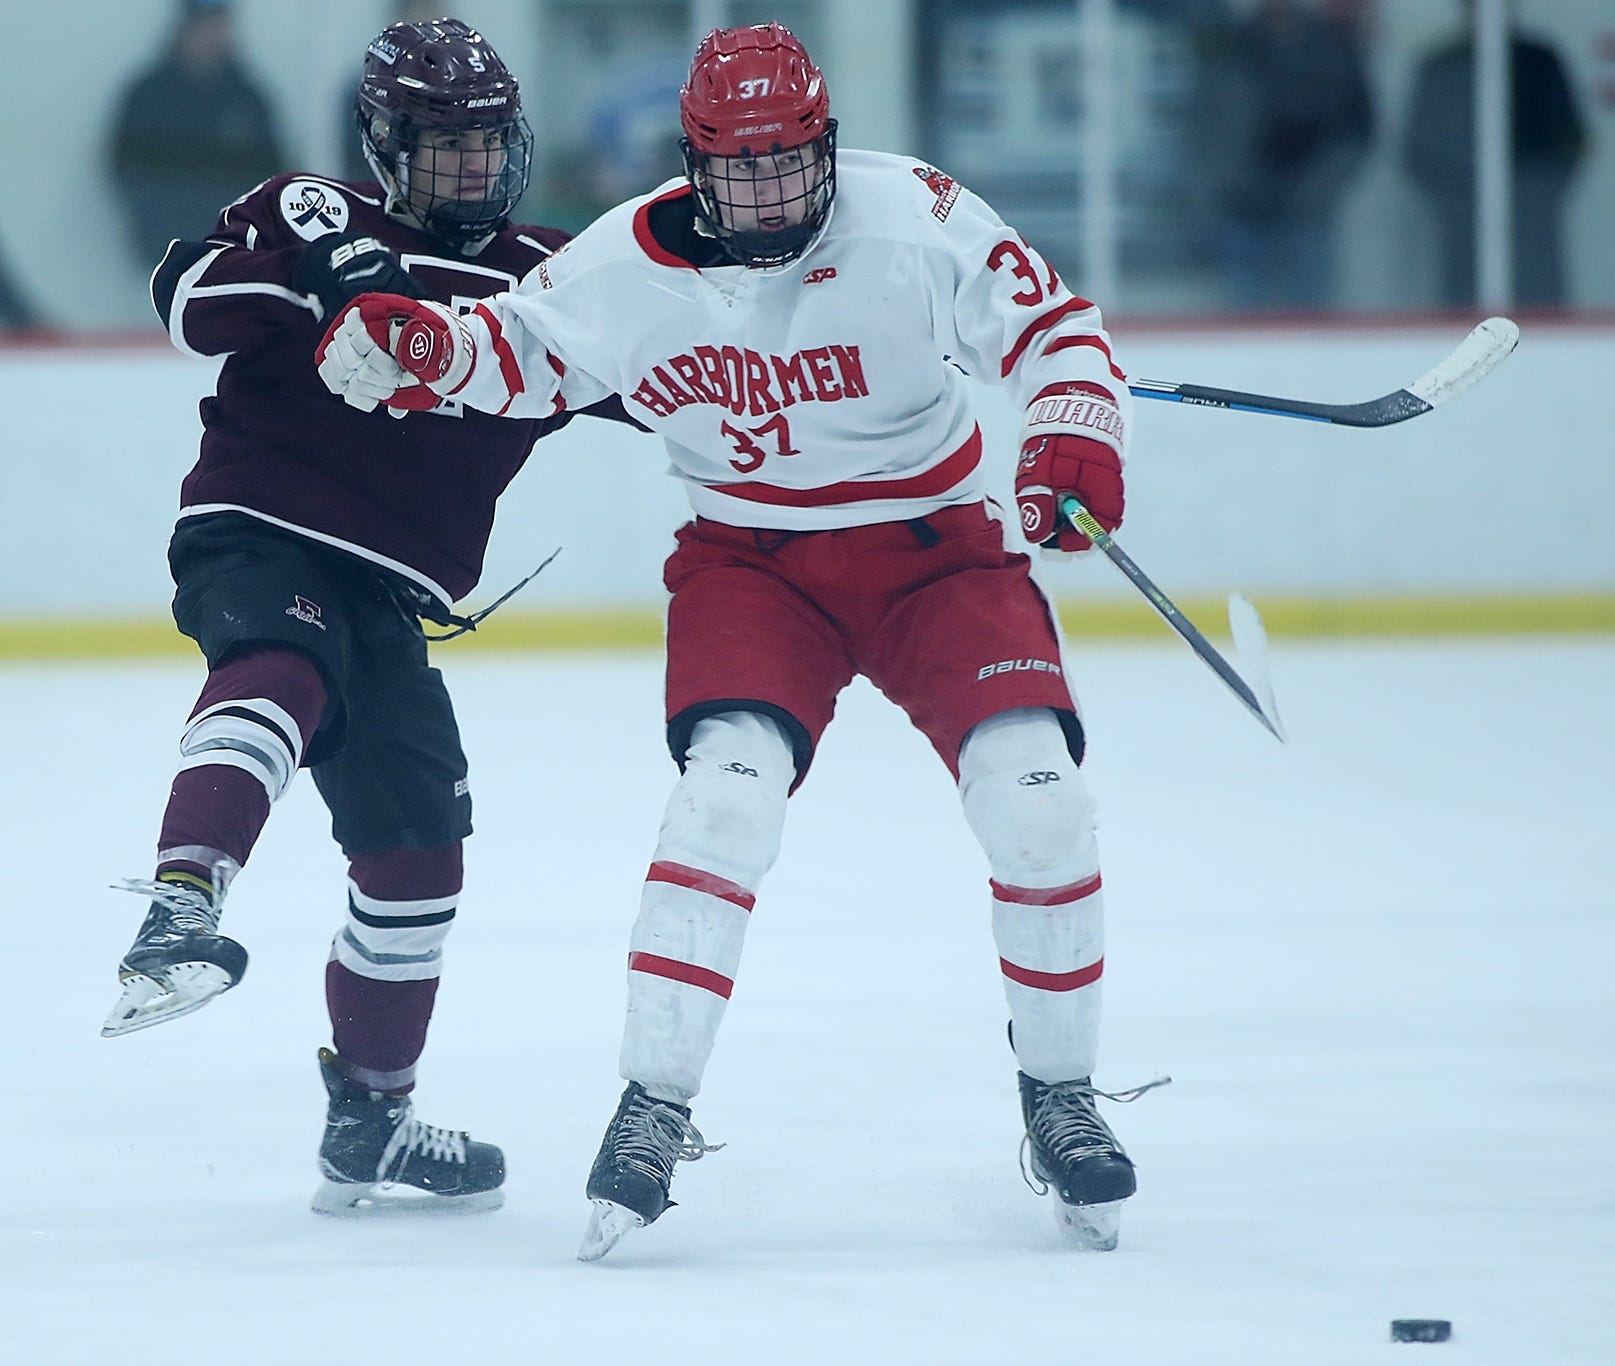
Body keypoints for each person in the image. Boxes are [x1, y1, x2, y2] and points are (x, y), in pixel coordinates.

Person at [319, 22, 1156, 1258]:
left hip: (936, 551)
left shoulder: (914, 213)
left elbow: (1052, 328)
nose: (768, 192)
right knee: (720, 805)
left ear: (823, 144)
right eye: (737, 168)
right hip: (752, 565)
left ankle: (1061, 1097)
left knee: (1038, 800)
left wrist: (1072, 430)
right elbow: (524, 351)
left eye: (787, 162)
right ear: (693, 166)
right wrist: (429, 348)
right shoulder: (620, 264)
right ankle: (652, 1104)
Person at [103, 18, 632, 1216]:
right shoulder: (307, 209)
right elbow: (181, 295)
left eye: (490, 143)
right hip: (259, 527)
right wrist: (311, 274)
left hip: (389, 593)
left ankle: (371, 1121)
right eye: (445, 146)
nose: (474, 169)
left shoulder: (546, 279)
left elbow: (670, 384)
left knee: (416, 853)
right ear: (388, 147)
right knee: (281, 667)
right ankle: (183, 899)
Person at [1402, 0, 1587, 307]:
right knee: (1467, 302)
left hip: (1533, 218)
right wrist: (1459, 198)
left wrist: (1534, 194)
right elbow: (1418, 152)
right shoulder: (1441, 67)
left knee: (1538, 299)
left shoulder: (1539, 62)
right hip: (1463, 220)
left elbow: (1572, 142)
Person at [1195, 0, 1374, 310]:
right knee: (1242, 319)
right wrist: (1232, 185)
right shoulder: (1229, 46)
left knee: (1313, 317)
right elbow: (1206, 128)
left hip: (1309, 213)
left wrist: (1318, 191)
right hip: (1244, 209)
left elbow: (1355, 130)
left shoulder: (1331, 45)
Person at [108, 0, 286, 271]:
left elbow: (270, 177)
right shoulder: (148, 96)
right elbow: (124, 166)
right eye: (205, 26)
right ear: (184, 29)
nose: (213, 36)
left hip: (233, 256)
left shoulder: (248, 100)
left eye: (220, 25)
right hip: (161, 252)